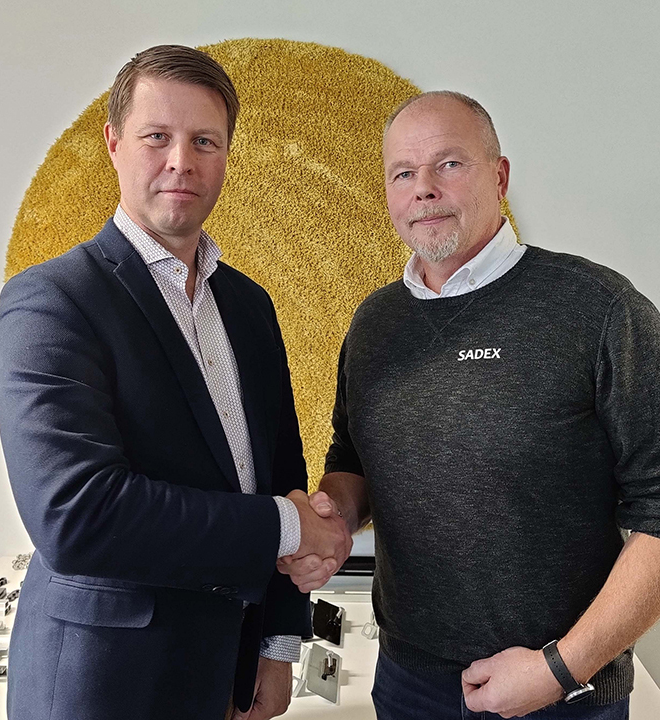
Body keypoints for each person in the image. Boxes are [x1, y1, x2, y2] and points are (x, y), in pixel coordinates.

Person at [0, 45, 350, 720]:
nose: (181, 160)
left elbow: (280, 472)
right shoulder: (51, 302)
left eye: (204, 141)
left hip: (228, 671)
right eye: (157, 136)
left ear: (226, 156)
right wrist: (288, 526)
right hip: (102, 685)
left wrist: (277, 645)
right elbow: (77, 515)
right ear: (114, 143)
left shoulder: (249, 305)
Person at [278, 91, 660, 719]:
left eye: (449, 164)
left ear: (500, 176)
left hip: (561, 692)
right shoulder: (376, 323)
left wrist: (561, 668)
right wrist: (333, 519)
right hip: (407, 683)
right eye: (403, 173)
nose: (424, 189)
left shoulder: (598, 308)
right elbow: (353, 459)